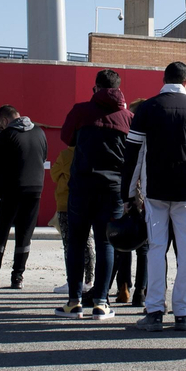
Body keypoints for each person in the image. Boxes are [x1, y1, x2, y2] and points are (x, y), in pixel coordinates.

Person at [124, 62, 186, 332]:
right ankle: (183, 313)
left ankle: (153, 311)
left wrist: (128, 194)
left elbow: (134, 154)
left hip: (155, 192)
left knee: (155, 249)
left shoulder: (148, 108)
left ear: (164, 80)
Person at [59, 69, 134, 318]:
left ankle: (74, 301)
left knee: (77, 242)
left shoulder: (80, 111)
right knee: (106, 243)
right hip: (113, 188)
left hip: (82, 185)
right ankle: (101, 301)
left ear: (96, 87)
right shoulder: (128, 117)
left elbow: (67, 138)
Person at [0, 105, 49, 288]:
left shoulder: (5, 135)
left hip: (10, 189)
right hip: (35, 188)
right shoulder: (40, 132)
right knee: (25, 234)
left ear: (5, 121)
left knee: (0, 231)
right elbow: (43, 157)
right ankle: (18, 277)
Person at [48, 147, 96, 304]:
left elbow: (54, 175)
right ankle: (89, 280)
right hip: (89, 201)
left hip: (65, 202)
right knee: (88, 242)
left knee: (70, 244)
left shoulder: (66, 154)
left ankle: (73, 281)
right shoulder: (91, 151)